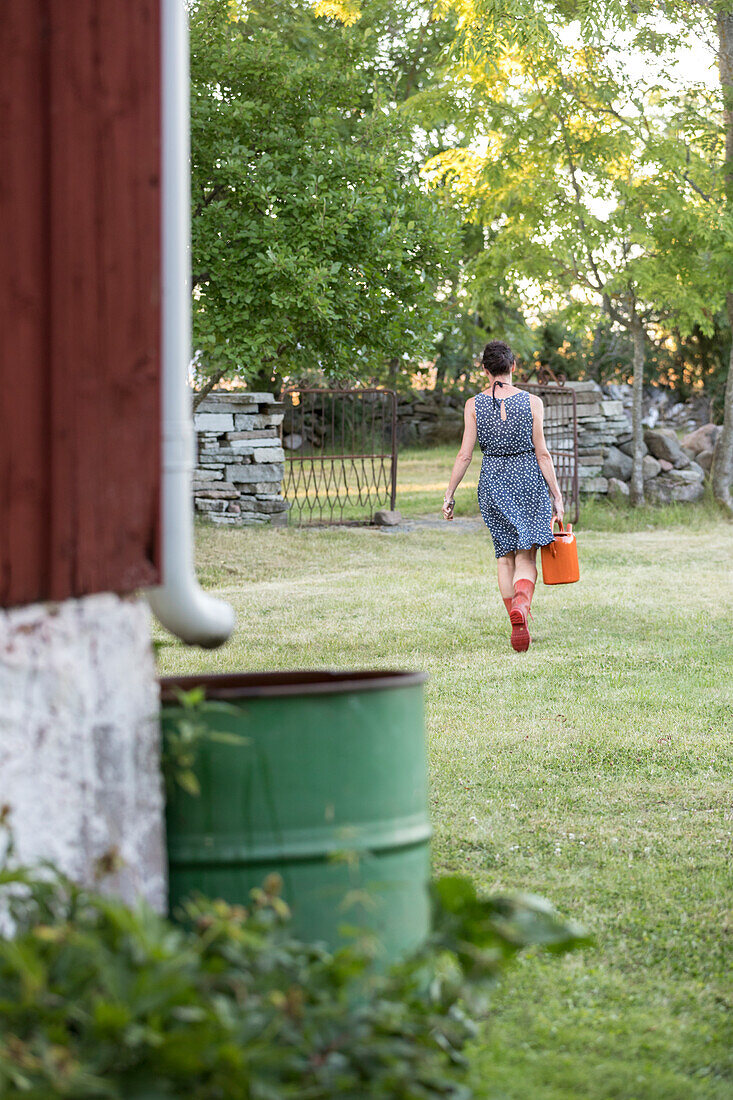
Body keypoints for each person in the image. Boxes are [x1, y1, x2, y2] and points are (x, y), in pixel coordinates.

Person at [442, 340, 564, 652]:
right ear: (513, 366)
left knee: (504, 555)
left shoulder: (474, 405)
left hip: (493, 484)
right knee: (526, 555)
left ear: (484, 369)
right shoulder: (533, 402)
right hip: (529, 481)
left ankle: (515, 614)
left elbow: (464, 456)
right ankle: (522, 606)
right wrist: (558, 496)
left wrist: (449, 494)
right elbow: (544, 454)